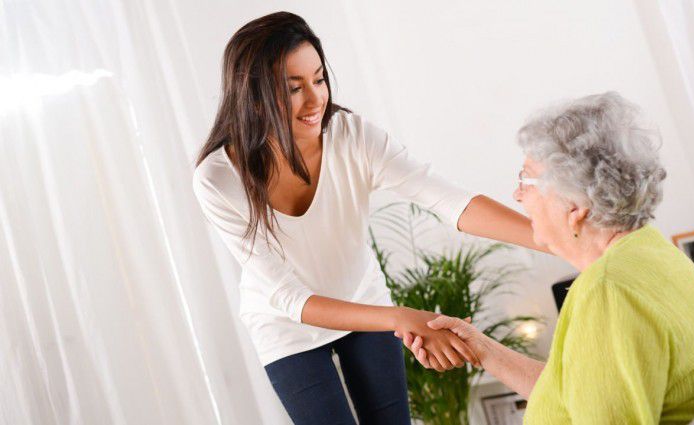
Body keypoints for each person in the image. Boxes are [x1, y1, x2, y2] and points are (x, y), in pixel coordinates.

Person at [191, 12, 543, 425]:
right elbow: (291, 298)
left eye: (319, 80)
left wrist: (554, 239)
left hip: (363, 296)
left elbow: (448, 200)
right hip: (287, 327)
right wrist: (400, 317)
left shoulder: (352, 136)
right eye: (293, 88)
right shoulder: (219, 179)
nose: (315, 100)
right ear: (253, 96)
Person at [404, 92, 694, 424]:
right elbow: (574, 395)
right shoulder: (652, 251)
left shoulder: (608, 292)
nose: (517, 195)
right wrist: (482, 350)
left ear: (575, 205)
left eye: (526, 179)